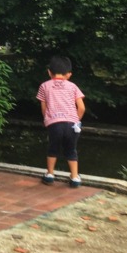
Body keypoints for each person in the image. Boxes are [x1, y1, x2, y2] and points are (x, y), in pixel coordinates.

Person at [37, 55, 86, 187]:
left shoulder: (44, 86)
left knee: (53, 148)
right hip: (72, 124)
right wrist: (76, 120)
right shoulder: (73, 87)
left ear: (49, 72)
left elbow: (44, 107)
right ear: (69, 74)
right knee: (71, 150)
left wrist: (47, 120)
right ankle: (75, 178)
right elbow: (81, 107)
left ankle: (50, 175)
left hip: (54, 123)